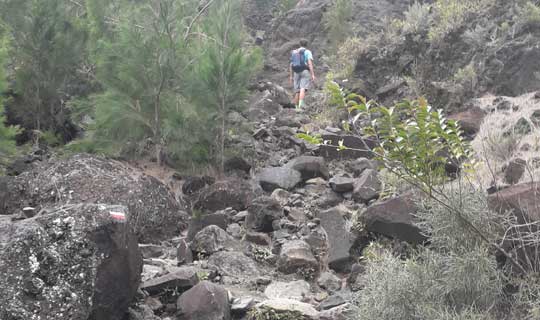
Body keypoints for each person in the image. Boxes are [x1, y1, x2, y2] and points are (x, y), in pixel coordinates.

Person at [289, 39, 316, 110]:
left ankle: (296, 108)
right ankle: (301, 105)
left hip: (296, 72)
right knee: (302, 88)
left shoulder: (294, 52)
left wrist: (291, 76)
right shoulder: (307, 52)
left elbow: (291, 64)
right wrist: (312, 74)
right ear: (306, 45)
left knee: (297, 90)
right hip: (304, 71)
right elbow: (309, 63)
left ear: (299, 44)